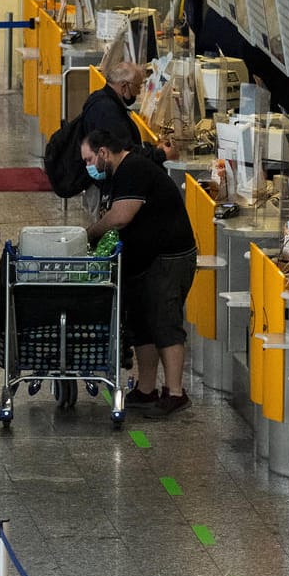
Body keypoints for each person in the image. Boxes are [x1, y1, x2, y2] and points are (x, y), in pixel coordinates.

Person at [82, 128, 198, 417]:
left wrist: (88, 235)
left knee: (164, 322)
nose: (89, 167)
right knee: (143, 325)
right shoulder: (117, 174)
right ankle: (146, 390)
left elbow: (121, 217)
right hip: (144, 261)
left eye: (89, 159)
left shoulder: (133, 168)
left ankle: (175, 393)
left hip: (167, 259)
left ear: (104, 153)